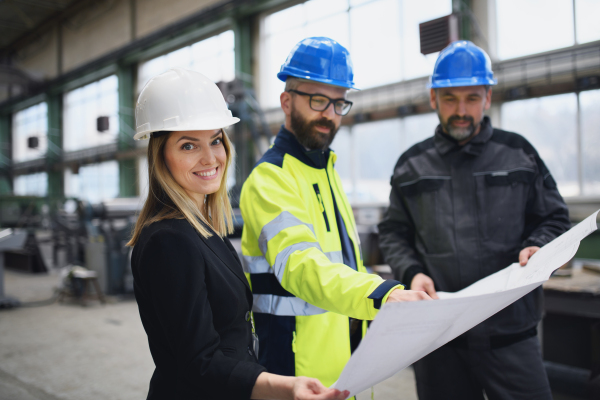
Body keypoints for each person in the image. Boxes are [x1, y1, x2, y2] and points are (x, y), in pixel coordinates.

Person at [127, 68, 349, 400]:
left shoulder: (201, 230)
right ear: (161, 155)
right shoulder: (168, 241)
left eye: (216, 140)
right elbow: (200, 362)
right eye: (189, 145)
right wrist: (284, 385)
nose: (210, 157)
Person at [378, 40, 571, 400]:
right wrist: (412, 273)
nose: (461, 110)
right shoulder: (410, 166)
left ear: (488, 97)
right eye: (450, 99)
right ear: (433, 98)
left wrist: (538, 246)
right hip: (439, 335)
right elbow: (393, 232)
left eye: (471, 98)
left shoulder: (520, 153)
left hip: (511, 333)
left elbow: (554, 217)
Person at [240, 37, 430, 389]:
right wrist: (381, 294)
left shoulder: (326, 170)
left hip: (348, 363)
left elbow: (343, 267)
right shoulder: (269, 179)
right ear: (286, 101)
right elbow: (300, 265)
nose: (329, 113)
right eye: (317, 100)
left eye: (339, 102)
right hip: (295, 368)